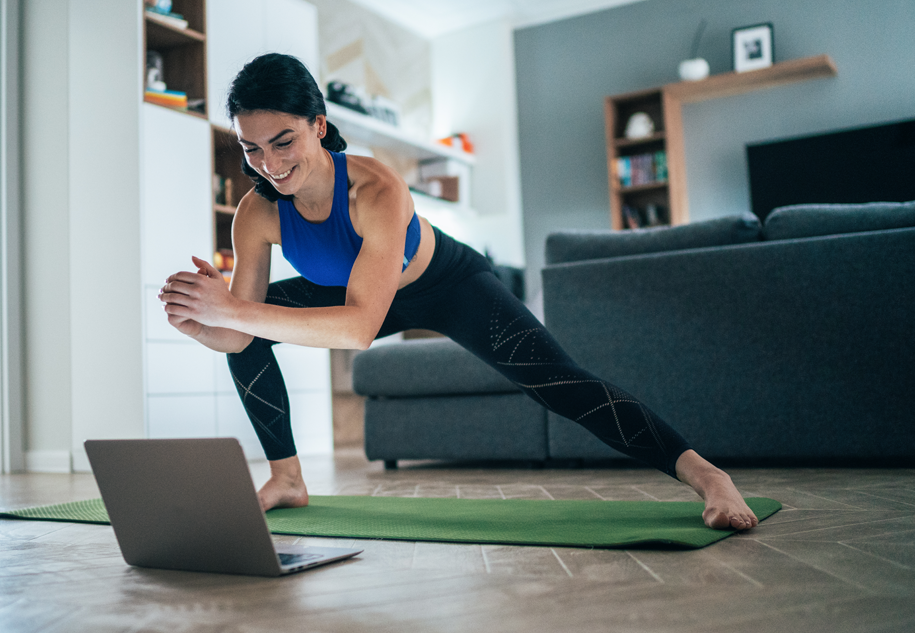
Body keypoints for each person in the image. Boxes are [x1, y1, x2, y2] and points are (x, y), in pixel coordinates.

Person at [158, 53, 758, 531]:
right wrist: (209, 323)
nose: (267, 163)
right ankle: (287, 478)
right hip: (354, 295)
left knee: (559, 381)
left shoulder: (376, 190)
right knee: (248, 339)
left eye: (282, 141)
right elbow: (243, 332)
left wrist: (236, 310)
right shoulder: (254, 213)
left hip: (446, 284)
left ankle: (709, 477)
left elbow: (360, 328)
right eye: (250, 147)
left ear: (318, 126)